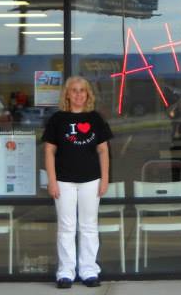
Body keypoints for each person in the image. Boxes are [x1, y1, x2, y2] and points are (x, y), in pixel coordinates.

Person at [43, 76, 112, 288]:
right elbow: (49, 151)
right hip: (63, 181)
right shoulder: (57, 119)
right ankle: (66, 272)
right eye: (74, 90)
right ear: (67, 94)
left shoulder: (95, 119)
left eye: (82, 90)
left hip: (91, 180)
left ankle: (89, 271)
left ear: (88, 94)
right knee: (66, 227)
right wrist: (52, 181)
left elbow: (103, 150)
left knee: (89, 226)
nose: (79, 94)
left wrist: (105, 179)